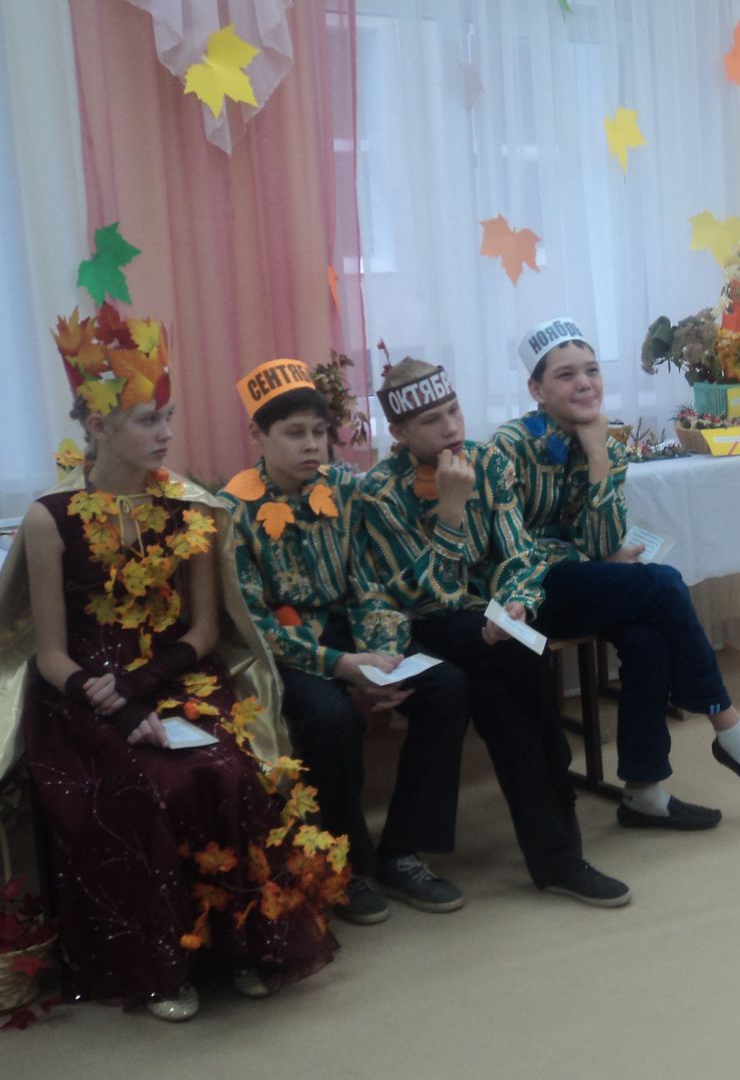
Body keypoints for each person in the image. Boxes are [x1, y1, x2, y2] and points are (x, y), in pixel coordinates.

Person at [0, 304, 343, 1021]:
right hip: (81, 694)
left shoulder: (190, 507)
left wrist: (144, 687)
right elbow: (51, 651)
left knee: (226, 769)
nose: (165, 433)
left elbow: (206, 628)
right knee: (145, 783)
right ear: (98, 427)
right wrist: (116, 704)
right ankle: (162, 964)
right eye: (147, 420)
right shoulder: (49, 518)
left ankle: (246, 941)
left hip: (177, 675)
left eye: (169, 417)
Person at [490, 317, 740, 833]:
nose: (584, 383)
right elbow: (508, 547)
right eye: (566, 375)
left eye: (591, 370)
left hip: (576, 580)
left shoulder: (604, 442)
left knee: (648, 637)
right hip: (521, 595)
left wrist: (596, 454)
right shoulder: (508, 445)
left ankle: (643, 793)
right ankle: (726, 723)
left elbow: (602, 542)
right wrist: (586, 559)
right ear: (536, 390)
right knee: (663, 583)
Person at [353, 354, 630, 906]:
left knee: (504, 674)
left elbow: (518, 553)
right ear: (399, 433)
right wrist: (451, 512)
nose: (450, 427)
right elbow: (423, 596)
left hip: (479, 620)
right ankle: (557, 835)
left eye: (454, 411)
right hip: (410, 628)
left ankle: (542, 854)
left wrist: (518, 603)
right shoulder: (379, 492)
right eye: (431, 421)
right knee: (512, 661)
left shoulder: (487, 460)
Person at [222, 357, 472, 924]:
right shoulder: (233, 509)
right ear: (258, 435)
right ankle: (348, 864)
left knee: (446, 685)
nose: (312, 444)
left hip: (353, 634)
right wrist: (341, 666)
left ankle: (404, 849)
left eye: (319, 431)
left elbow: (371, 583)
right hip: (286, 650)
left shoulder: (345, 488)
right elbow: (253, 625)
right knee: (330, 718)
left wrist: (383, 660)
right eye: (294, 433)